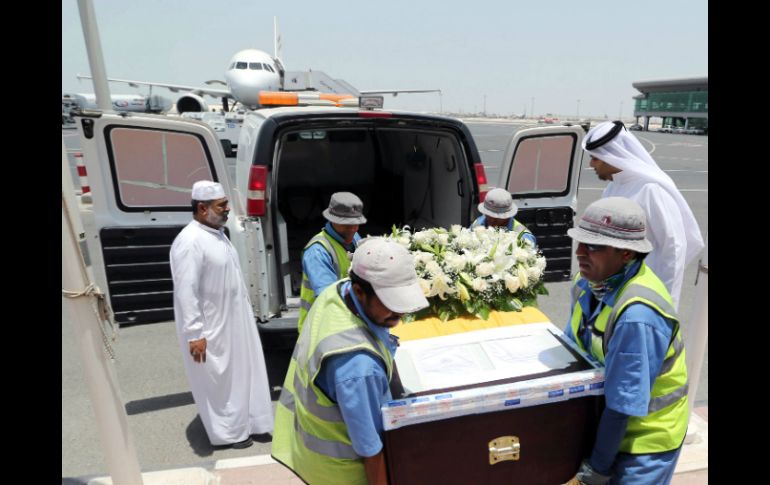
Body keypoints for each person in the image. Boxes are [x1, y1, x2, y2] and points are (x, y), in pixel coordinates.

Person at [272, 237, 429, 485]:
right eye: (391, 303)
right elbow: (371, 450)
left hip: (313, 455)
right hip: (345, 474)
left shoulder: (337, 293)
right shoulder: (358, 367)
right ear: (359, 291)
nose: (399, 313)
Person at [563, 197, 688, 485]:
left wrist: (596, 469)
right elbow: (571, 353)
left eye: (593, 246)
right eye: (580, 242)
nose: (580, 252)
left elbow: (622, 406)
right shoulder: (586, 283)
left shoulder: (637, 315)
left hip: (646, 441)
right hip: (604, 424)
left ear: (627, 254)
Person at [169, 180, 273, 449]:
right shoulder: (190, 242)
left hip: (235, 320)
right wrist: (194, 334)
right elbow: (185, 292)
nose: (228, 209)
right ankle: (230, 434)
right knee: (220, 381)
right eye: (221, 205)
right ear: (202, 208)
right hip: (210, 326)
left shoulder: (217, 233)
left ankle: (252, 423)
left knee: (243, 373)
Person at [583, 120, 704, 309]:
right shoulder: (612, 188)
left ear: (612, 156)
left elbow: (673, 248)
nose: (591, 164)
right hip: (613, 292)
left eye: (595, 158)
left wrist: (664, 304)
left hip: (644, 296)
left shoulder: (650, 190)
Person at [298, 191, 367, 333]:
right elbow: (329, 298)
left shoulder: (355, 238)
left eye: (356, 223)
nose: (353, 228)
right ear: (333, 219)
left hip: (346, 321)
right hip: (319, 329)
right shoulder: (317, 252)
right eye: (347, 224)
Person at [470, 187, 537, 246]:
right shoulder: (477, 225)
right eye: (490, 216)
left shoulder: (523, 236)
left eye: (498, 219)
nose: (492, 221)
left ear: (507, 216)